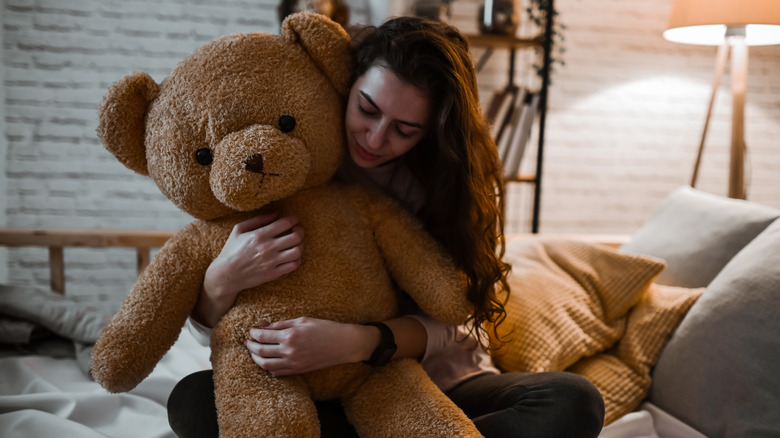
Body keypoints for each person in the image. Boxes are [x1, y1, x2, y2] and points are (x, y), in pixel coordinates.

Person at [167, 15, 605, 438]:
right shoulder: (289, 163)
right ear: (349, 84)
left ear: (432, 130)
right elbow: (219, 327)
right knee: (192, 400)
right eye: (367, 109)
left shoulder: (447, 186)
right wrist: (223, 278)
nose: (375, 139)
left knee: (571, 401)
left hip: (439, 384)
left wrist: (357, 343)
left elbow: (460, 319)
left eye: (404, 130)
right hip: (309, 386)